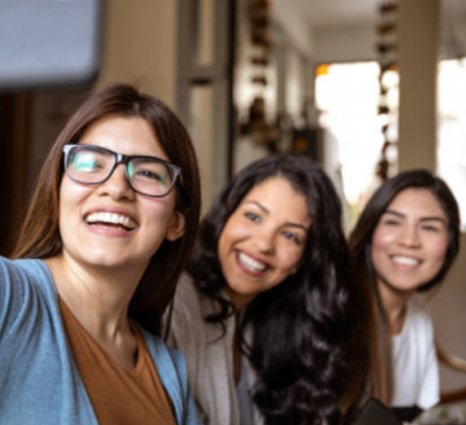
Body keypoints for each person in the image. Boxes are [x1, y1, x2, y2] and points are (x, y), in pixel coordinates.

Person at [0, 84, 201, 424]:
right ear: (58, 192)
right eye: (92, 163)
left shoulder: (169, 372)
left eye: (148, 173)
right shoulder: (9, 296)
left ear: (175, 223)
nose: (116, 188)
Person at [166, 154, 358, 425]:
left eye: (290, 235)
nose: (264, 243)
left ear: (303, 260)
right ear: (226, 216)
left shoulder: (268, 327)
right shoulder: (174, 301)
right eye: (254, 216)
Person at [348, 169, 460, 422]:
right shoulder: (333, 314)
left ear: (449, 243)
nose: (409, 240)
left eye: (429, 227)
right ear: (370, 230)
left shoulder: (419, 320)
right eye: (393, 222)